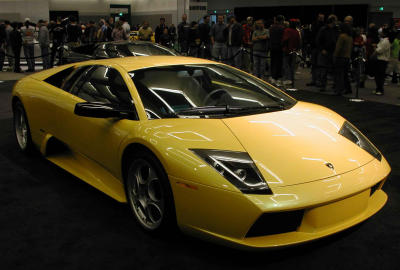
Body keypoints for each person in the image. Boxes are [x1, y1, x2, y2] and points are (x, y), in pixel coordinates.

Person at [316, 14, 338, 92]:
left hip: (333, 52)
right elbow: (318, 41)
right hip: (324, 52)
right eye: (335, 20)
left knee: (334, 70)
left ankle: (335, 86)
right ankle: (323, 85)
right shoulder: (323, 29)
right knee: (323, 70)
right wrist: (322, 49)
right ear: (332, 21)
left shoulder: (336, 29)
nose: (336, 22)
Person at [333, 23, 353, 95]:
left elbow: (338, 48)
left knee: (339, 75)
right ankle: (348, 89)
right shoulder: (350, 37)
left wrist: (334, 56)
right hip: (347, 58)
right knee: (345, 75)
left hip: (340, 57)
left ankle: (339, 90)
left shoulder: (342, 36)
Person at [306, 14, 325, 86]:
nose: (321, 19)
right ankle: (314, 80)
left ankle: (318, 81)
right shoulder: (314, 25)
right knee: (314, 64)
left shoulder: (323, 26)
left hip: (319, 48)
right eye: (320, 18)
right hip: (314, 47)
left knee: (319, 65)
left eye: (322, 18)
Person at [282, 19, 301, 87]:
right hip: (293, 51)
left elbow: (285, 40)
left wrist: (283, 46)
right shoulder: (296, 31)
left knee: (286, 65)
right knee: (292, 66)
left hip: (287, 50)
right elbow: (299, 41)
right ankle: (291, 79)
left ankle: (287, 79)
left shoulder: (287, 30)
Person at [373, 29, 391, 95]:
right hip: (381, 60)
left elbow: (378, 51)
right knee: (378, 76)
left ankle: (380, 90)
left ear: (384, 34)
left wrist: (374, 49)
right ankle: (378, 89)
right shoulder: (383, 41)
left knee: (379, 76)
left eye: (381, 33)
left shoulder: (385, 41)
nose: (379, 34)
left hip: (382, 61)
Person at [269, 15, 285, 85]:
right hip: (280, 47)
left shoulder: (271, 28)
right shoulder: (282, 28)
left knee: (273, 62)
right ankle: (277, 78)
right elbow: (283, 39)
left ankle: (273, 77)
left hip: (272, 47)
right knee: (279, 63)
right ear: (281, 20)